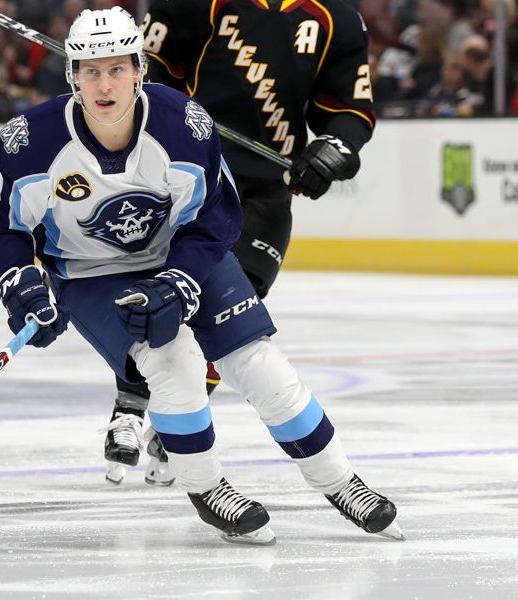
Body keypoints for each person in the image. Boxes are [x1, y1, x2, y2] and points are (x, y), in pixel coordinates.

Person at [0, 6, 402, 544]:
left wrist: (180, 279)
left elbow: (215, 219)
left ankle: (340, 481)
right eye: (91, 70)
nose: (105, 85)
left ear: (139, 70)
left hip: (179, 254)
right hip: (90, 273)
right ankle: (207, 488)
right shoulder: (26, 142)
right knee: (173, 361)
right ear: (72, 75)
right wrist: (20, 281)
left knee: (258, 363)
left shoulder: (184, 127)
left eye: (118, 69)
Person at [101, 0, 378, 485]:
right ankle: (132, 399)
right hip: (189, 176)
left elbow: (351, 111)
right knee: (164, 296)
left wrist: (332, 150)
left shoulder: (336, 17)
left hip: (265, 191)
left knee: (234, 311)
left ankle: (177, 414)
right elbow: (149, 72)